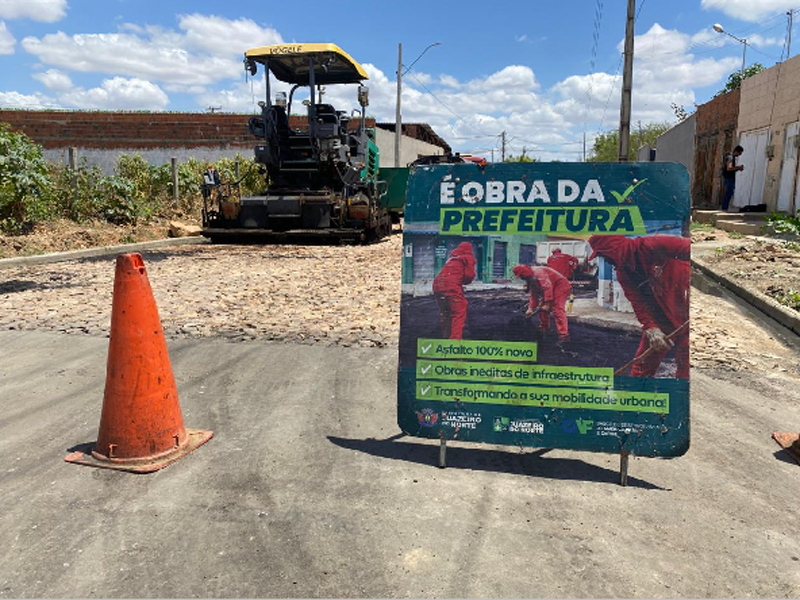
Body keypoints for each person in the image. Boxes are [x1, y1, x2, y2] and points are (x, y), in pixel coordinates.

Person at [588, 234, 690, 379]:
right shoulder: (623, 273)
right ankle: (635, 393)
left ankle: (682, 395)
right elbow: (638, 303)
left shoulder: (652, 244)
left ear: (613, 248)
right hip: (661, 314)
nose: (606, 260)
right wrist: (651, 328)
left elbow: (691, 249)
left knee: (685, 360)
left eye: (604, 254)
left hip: (686, 309)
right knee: (643, 363)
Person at [512, 264, 572, 343]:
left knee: (557, 308)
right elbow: (534, 294)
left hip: (560, 285)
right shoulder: (530, 278)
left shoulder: (538, 273)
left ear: (524, 273)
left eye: (521, 276)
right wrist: (530, 308)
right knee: (541, 308)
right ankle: (544, 329)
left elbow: (547, 287)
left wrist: (547, 304)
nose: (522, 278)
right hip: (551, 286)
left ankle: (564, 336)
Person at [432, 242, 476, 339]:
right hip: (451, 286)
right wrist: (464, 281)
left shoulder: (452, 258)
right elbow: (469, 275)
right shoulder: (468, 257)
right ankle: (454, 341)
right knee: (459, 311)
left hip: (437, 285)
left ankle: (446, 336)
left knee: (446, 312)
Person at [721, 145, 744, 212]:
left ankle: (725, 207)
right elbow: (729, 168)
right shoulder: (730, 158)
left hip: (728, 178)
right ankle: (724, 208)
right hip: (729, 178)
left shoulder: (730, 157)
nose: (739, 155)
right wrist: (738, 168)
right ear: (737, 151)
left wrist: (736, 168)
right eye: (739, 153)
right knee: (728, 193)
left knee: (729, 193)